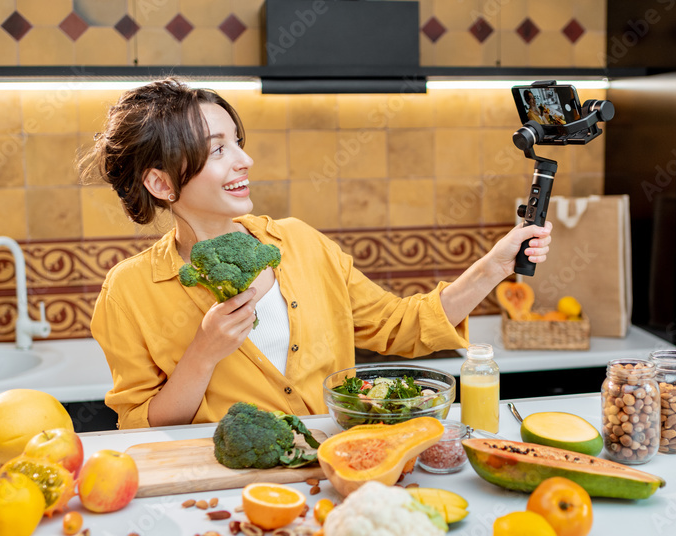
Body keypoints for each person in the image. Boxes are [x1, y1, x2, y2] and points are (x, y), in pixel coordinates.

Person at [83, 79, 552, 429]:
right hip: (223, 491)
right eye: (217, 150)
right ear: (161, 182)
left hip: (335, 471)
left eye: (238, 144)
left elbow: (401, 326)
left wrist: (496, 264)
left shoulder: (301, 244)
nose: (244, 161)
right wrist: (203, 354)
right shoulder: (129, 292)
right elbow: (140, 426)